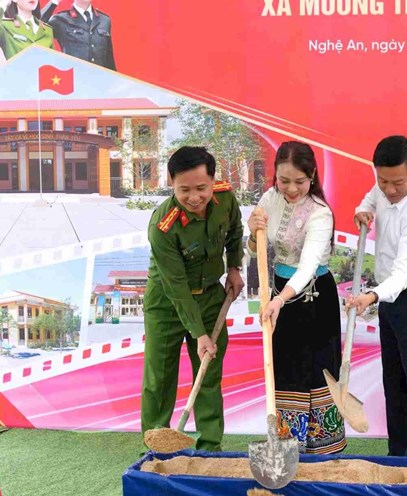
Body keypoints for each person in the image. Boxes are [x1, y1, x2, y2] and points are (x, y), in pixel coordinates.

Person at [347, 135, 407, 458]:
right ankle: (397, 454)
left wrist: (372, 296)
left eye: (397, 183)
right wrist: (364, 209)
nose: (389, 190)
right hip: (389, 297)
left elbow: (404, 272)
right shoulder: (383, 186)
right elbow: (371, 196)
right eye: (383, 180)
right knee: (394, 380)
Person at [141, 146, 244, 451]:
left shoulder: (225, 198)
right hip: (167, 303)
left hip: (211, 296)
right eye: (184, 190)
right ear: (171, 182)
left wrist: (235, 268)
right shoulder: (163, 225)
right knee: (159, 378)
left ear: (213, 181)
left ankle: (209, 448)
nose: (194, 197)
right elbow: (176, 287)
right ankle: (156, 446)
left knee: (209, 373)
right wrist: (199, 334)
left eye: (201, 188)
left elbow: (236, 231)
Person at [246, 141, 346, 454]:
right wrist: (252, 232)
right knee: (285, 366)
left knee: (317, 368)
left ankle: (323, 448)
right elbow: (255, 249)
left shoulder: (320, 213)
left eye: (299, 182)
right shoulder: (268, 199)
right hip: (277, 291)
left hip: (314, 296)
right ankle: (289, 447)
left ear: (313, 176)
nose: (291, 189)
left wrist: (279, 300)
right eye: (284, 180)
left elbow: (307, 267)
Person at [40, 0, 116, 70]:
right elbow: (36, 26)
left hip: (100, 79)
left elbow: (109, 58)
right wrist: (54, 1)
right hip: (75, 79)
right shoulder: (60, 19)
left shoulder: (104, 20)